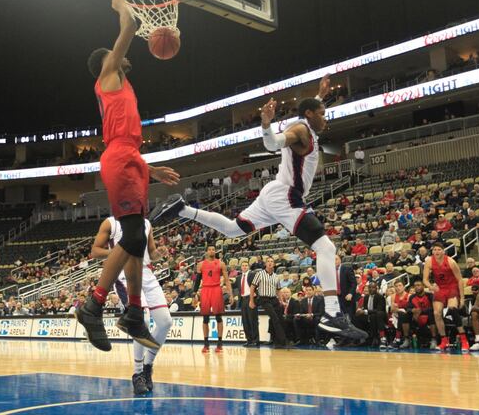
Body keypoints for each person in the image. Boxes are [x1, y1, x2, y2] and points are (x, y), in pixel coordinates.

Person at [150, 76, 366, 341]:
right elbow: (273, 144)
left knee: (232, 230)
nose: (326, 118)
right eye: (323, 113)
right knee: (326, 248)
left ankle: (183, 209)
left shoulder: (304, 123)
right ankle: (333, 314)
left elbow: (308, 112)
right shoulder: (300, 131)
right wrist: (266, 124)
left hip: (274, 193)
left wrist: (320, 96)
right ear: (310, 115)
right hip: (286, 195)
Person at [79, 0, 180, 352]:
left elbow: (126, 141)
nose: (124, 54)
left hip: (130, 158)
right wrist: (120, 4)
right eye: (118, 52)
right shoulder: (107, 73)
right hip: (120, 159)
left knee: (136, 241)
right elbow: (130, 24)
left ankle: (134, 313)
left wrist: (149, 170)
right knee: (133, 236)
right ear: (110, 60)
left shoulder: (124, 85)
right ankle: (93, 305)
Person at [89, 216, 172, 395]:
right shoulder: (111, 222)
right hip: (123, 272)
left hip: (147, 274)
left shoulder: (146, 223)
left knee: (165, 322)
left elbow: (152, 254)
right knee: (141, 318)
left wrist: (160, 253)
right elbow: (95, 251)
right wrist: (118, 253)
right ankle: (137, 373)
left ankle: (147, 366)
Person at [423, 242, 468, 352]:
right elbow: (425, 279)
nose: (436, 252)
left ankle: (464, 339)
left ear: (443, 251)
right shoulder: (429, 261)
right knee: (436, 313)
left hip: (452, 287)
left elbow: (460, 280)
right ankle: (444, 340)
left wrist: (462, 298)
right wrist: (431, 287)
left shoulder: (451, 262)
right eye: (434, 250)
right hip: (440, 288)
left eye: (439, 250)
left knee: (452, 310)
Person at [196, 245, 232, 353]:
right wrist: (194, 292)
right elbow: (197, 280)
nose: (212, 251)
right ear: (206, 251)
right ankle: (206, 344)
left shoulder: (221, 264)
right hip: (205, 289)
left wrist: (230, 294)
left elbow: (226, 280)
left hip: (216, 289)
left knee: (218, 317)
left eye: (213, 249)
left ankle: (219, 343)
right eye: (210, 249)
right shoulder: (201, 264)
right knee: (205, 319)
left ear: (215, 251)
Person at [250, 257, 287, 348]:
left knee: (279, 318)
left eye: (272, 261)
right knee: (274, 318)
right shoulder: (260, 274)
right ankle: (282, 342)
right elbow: (252, 287)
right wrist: (251, 300)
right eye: (268, 261)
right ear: (265, 264)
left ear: (274, 264)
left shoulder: (276, 276)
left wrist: (281, 301)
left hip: (274, 299)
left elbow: (278, 290)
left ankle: (275, 340)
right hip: (264, 299)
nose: (270, 263)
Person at [403, 280, 438, 349]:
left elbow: (434, 308)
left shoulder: (430, 295)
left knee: (432, 314)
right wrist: (413, 310)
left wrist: (420, 311)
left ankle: (434, 339)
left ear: (423, 286)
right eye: (415, 286)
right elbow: (408, 308)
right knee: (405, 315)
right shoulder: (412, 297)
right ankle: (406, 339)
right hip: (416, 316)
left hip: (428, 316)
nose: (416, 287)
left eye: (418, 285)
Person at [236, 262, 260, 347]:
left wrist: (254, 297)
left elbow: (257, 285)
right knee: (245, 321)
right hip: (243, 300)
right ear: (241, 267)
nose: (244, 267)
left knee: (252, 320)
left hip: (251, 299)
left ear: (248, 267)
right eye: (243, 265)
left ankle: (255, 340)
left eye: (246, 265)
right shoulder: (238, 277)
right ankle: (249, 340)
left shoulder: (253, 274)